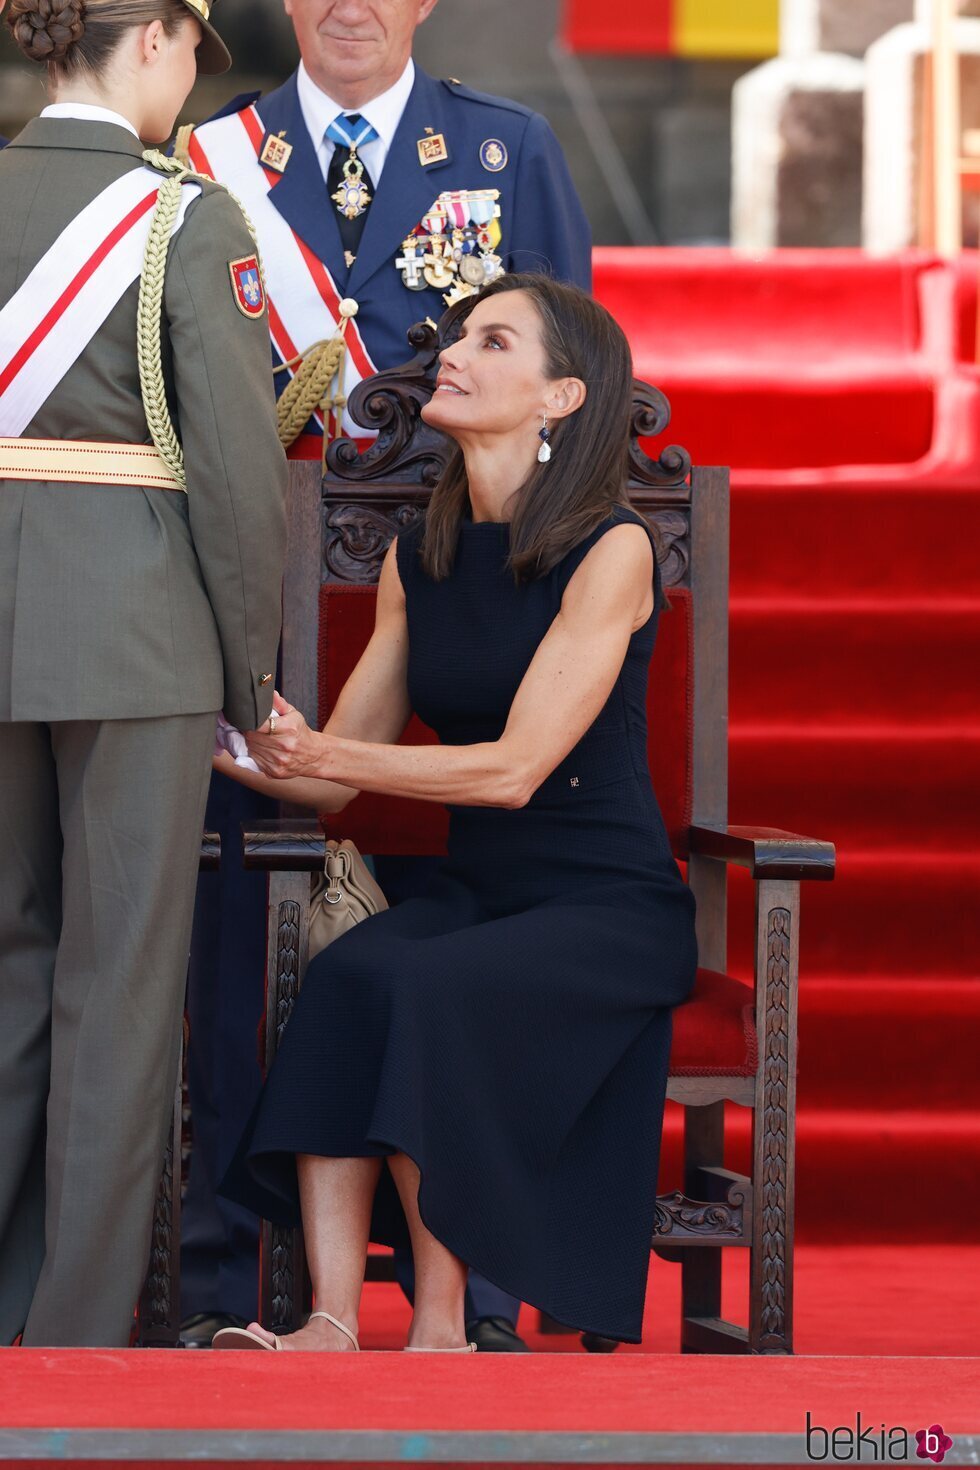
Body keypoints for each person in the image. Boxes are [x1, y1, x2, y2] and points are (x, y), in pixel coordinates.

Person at [177, 0, 592, 1353]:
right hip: (254, 567)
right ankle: (230, 1272)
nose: (350, 0)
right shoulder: (215, 154)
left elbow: (573, 363)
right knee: (241, 895)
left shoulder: (507, 145)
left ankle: (460, 1293)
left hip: (465, 566)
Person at [206, 273, 699, 1353]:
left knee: (422, 988)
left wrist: (328, 748)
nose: (452, 354)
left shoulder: (609, 550)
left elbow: (515, 770)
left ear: (558, 398)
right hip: (482, 894)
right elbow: (332, 782)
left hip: (605, 910)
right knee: (348, 979)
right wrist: (217, 739)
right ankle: (329, 1322)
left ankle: (439, 1327)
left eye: (492, 341)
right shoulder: (416, 556)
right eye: (459, 335)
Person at [0, 0, 287, 1347]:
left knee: (7, 967)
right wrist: (253, 677)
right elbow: (235, 477)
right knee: (116, 991)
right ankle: (66, 1340)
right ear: (161, 41)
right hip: (136, 636)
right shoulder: (183, 216)